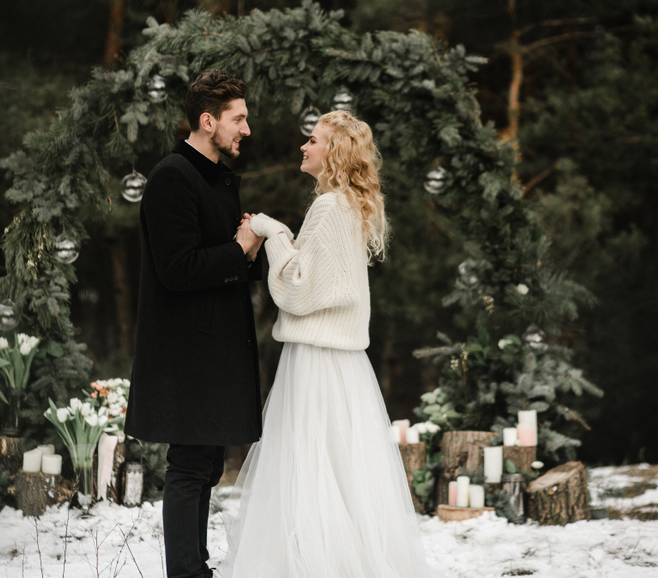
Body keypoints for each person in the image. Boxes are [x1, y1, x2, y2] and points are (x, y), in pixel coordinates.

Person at [217, 110, 433, 578]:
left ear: (333, 151)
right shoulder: (345, 207)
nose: (304, 147)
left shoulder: (331, 207)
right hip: (341, 360)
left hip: (317, 358)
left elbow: (299, 290)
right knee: (338, 466)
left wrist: (271, 231)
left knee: (310, 464)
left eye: (313, 141)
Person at [125, 71, 266, 578]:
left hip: (216, 347)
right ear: (208, 122)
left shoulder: (218, 178)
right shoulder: (172, 176)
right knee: (189, 465)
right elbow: (178, 268)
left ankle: (196, 569)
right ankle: (186, 574)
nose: (246, 129)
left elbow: (224, 261)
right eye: (238, 118)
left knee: (206, 464)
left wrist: (248, 252)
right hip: (187, 352)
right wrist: (239, 249)